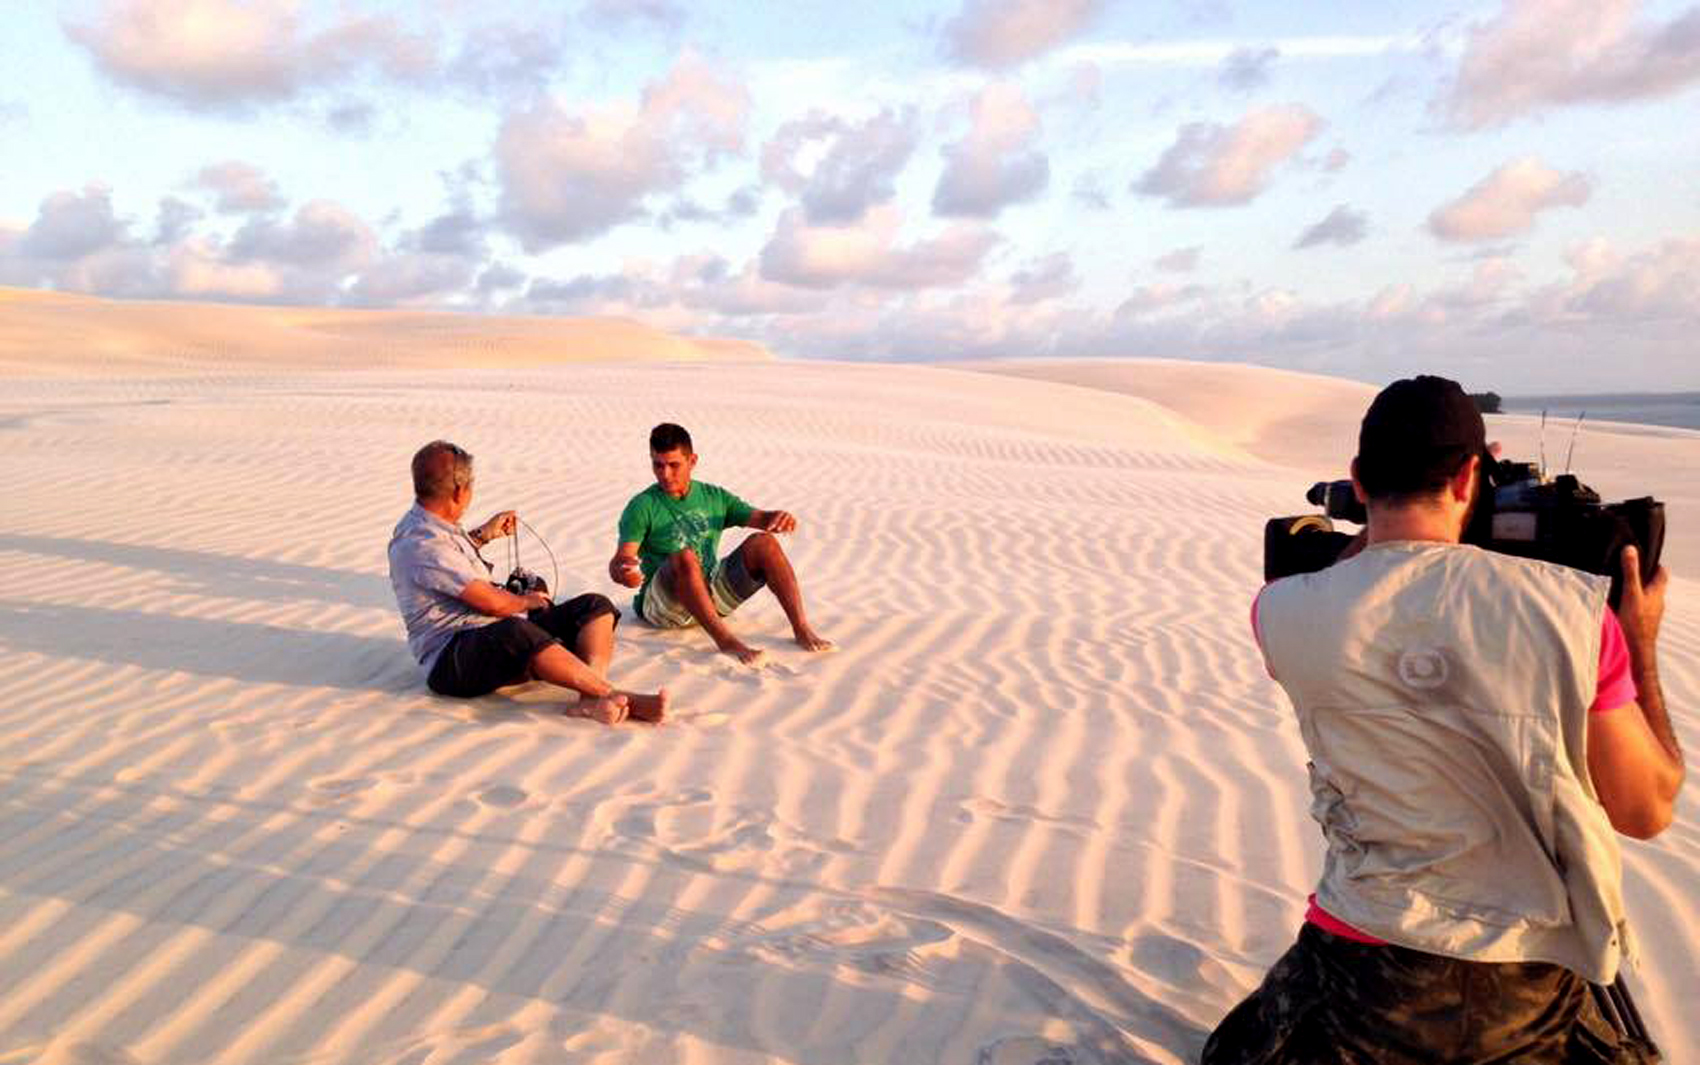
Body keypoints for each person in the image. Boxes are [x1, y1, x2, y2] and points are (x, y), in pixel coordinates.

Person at [1203, 376, 1683, 1063]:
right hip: (1526, 986)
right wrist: (1637, 645)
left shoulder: (1277, 613)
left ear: (1358, 481)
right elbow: (1645, 810)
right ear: (1469, 477)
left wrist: (1389, 539)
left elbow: (1373, 596)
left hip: (1359, 972)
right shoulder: (1576, 619)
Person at [389, 440, 668, 724]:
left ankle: (589, 697)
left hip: (488, 635)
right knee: (516, 629)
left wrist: (485, 534)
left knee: (594, 605)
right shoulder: (423, 543)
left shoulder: (430, 526)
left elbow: (450, 562)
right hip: (452, 660)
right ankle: (612, 694)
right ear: (460, 491)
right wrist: (527, 600)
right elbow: (493, 604)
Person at [609, 423, 833, 666]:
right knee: (683, 556)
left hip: (710, 598)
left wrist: (778, 518)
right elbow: (622, 559)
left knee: (764, 543)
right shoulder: (642, 505)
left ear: (692, 461)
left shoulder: (713, 497)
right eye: (658, 465)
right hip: (663, 607)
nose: (665, 474)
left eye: (674, 465)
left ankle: (801, 629)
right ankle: (726, 640)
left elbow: (760, 519)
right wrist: (624, 572)